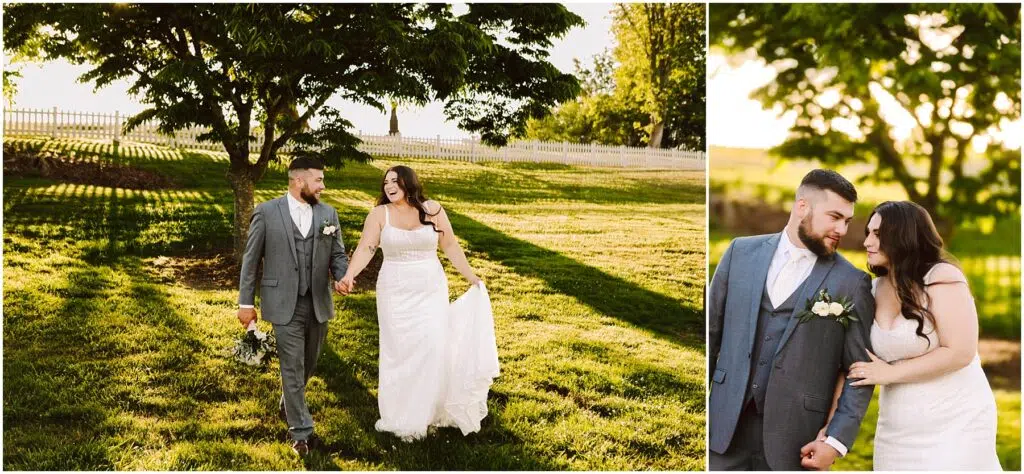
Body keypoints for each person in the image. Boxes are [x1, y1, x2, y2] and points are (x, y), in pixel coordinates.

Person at [708, 169, 875, 470]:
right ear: (802, 207)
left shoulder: (851, 282)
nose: (842, 229)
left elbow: (859, 372)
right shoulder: (739, 253)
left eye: (847, 221)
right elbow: (709, 335)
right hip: (722, 430)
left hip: (797, 442)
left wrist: (835, 441)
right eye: (834, 217)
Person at [339, 165, 496, 441]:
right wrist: (350, 275)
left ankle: (429, 410)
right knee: (399, 350)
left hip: (430, 288)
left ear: (408, 183)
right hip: (394, 291)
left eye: (395, 181)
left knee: (432, 345)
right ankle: (402, 414)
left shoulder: (432, 209)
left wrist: (471, 276)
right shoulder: (379, 214)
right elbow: (367, 247)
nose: (389, 186)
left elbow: (450, 245)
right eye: (385, 182)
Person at [844, 200, 1001, 470]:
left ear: (903, 236)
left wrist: (890, 373)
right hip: (896, 428)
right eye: (868, 233)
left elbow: (961, 351)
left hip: (957, 422)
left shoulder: (941, 276)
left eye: (877, 234)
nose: (867, 242)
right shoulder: (872, 289)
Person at [236, 156, 350, 456]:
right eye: (318, 180)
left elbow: (338, 255)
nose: (323, 186)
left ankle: (288, 401)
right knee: (292, 365)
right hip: (283, 302)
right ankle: (302, 433)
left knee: (308, 363)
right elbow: (250, 261)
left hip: (318, 302)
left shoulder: (328, 213)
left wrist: (342, 276)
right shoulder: (266, 212)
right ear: (299, 181)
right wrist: (245, 303)